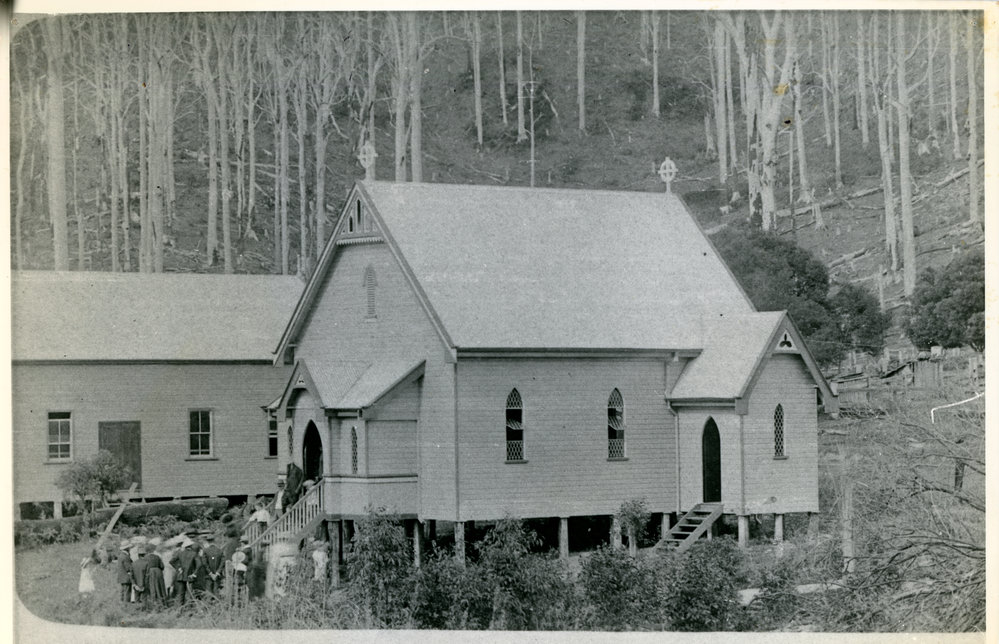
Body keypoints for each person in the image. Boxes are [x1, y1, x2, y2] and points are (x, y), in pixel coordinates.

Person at [170, 539, 198, 606]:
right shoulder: (194, 554)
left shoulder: (180, 553)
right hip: (190, 576)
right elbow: (199, 565)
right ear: (190, 546)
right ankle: (191, 609)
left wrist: (178, 568)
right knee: (191, 593)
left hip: (181, 576)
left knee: (181, 594)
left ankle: (180, 610)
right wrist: (194, 573)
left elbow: (171, 561)